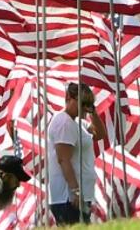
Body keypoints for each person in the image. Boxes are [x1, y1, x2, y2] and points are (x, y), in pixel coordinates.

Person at [48, 82, 106, 225]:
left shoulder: (78, 123)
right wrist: (75, 191)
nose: (84, 107)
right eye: (82, 103)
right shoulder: (64, 123)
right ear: (68, 97)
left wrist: (93, 112)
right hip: (68, 197)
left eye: (88, 103)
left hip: (79, 195)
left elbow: (100, 134)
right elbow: (63, 159)